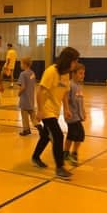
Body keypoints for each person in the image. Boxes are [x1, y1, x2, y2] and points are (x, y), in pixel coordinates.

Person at [32, 47, 80, 180]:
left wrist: (66, 109)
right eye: (75, 61)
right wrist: (40, 110)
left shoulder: (66, 73)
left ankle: (35, 157)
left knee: (47, 136)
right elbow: (40, 91)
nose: (75, 64)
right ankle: (60, 167)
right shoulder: (51, 72)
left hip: (55, 110)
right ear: (68, 61)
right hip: (46, 109)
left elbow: (64, 92)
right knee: (58, 135)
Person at [64, 63, 86, 166]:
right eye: (80, 73)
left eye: (83, 73)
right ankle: (70, 153)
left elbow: (81, 100)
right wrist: (67, 110)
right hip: (71, 116)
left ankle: (70, 152)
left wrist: (84, 111)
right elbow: (65, 100)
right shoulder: (70, 85)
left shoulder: (79, 86)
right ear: (73, 74)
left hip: (78, 115)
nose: (82, 75)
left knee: (76, 135)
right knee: (76, 134)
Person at [17, 57, 39, 136]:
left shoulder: (23, 74)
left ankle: (26, 130)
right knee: (32, 114)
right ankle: (39, 126)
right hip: (31, 97)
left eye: (21, 63)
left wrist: (19, 93)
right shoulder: (33, 73)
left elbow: (23, 87)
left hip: (24, 98)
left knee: (24, 115)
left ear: (24, 64)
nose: (20, 65)